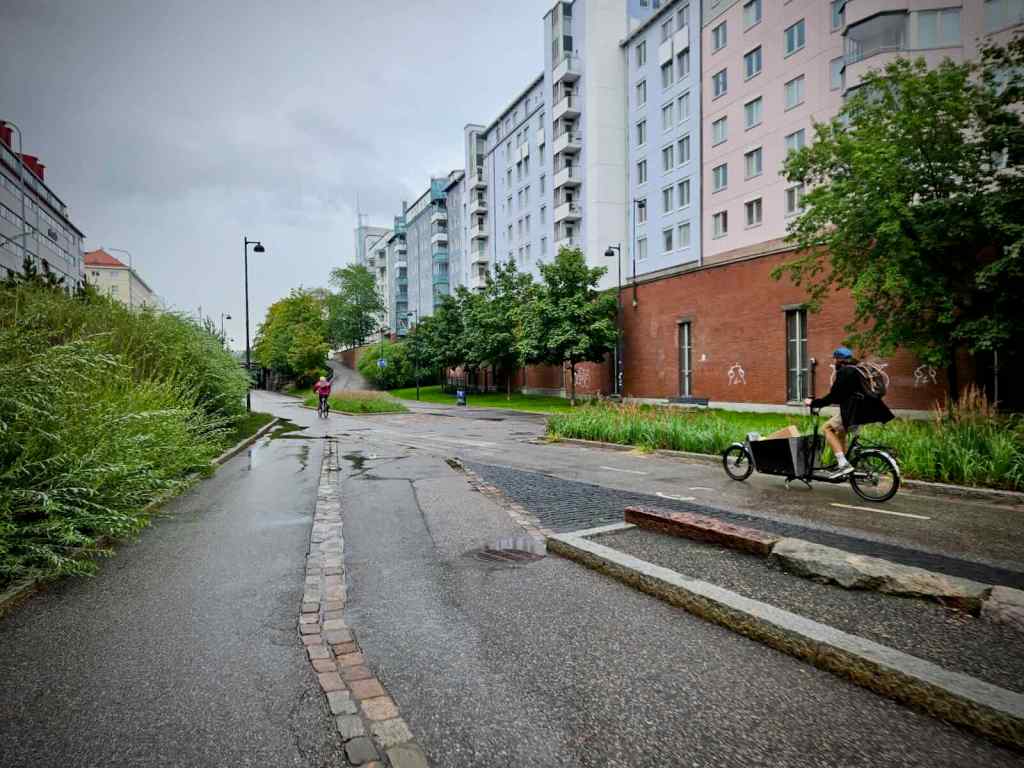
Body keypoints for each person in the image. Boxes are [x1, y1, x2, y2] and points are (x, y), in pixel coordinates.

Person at [804, 347, 894, 479]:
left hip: (855, 411)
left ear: (839, 359)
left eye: (834, 358)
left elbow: (834, 397)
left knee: (827, 428)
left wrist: (813, 403)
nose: (834, 361)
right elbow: (843, 396)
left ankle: (843, 464)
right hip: (864, 411)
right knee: (840, 432)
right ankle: (844, 463)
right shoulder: (858, 369)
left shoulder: (845, 372)